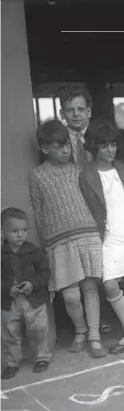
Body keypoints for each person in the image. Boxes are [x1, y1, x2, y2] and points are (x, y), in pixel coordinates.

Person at [30, 120, 104, 355]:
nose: (64, 151)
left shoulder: (78, 170)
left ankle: (94, 335)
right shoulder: (37, 176)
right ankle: (80, 330)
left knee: (90, 287)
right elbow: (38, 210)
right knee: (70, 296)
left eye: (66, 146)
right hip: (58, 241)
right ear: (44, 149)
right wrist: (44, 242)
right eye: (57, 147)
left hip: (87, 232)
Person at [79, 120, 124, 356]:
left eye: (112, 145)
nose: (109, 150)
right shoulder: (87, 174)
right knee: (110, 283)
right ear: (93, 147)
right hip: (108, 233)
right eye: (104, 146)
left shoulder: (122, 167)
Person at [58, 86, 113, 334]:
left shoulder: (99, 137)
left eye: (81, 109)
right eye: (70, 110)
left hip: (99, 204)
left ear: (90, 111)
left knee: (101, 265)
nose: (76, 114)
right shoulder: (59, 142)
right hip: (73, 208)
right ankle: (89, 323)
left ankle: (102, 315)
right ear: (62, 113)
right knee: (83, 270)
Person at [1, 208, 51, 379]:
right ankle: (12, 362)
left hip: (33, 300)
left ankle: (42, 358)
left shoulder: (33, 251)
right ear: (3, 232)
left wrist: (32, 283)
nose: (20, 235)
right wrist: (8, 288)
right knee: (10, 332)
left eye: (24, 230)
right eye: (14, 231)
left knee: (38, 329)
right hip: (9, 301)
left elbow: (45, 273)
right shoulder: (2, 254)